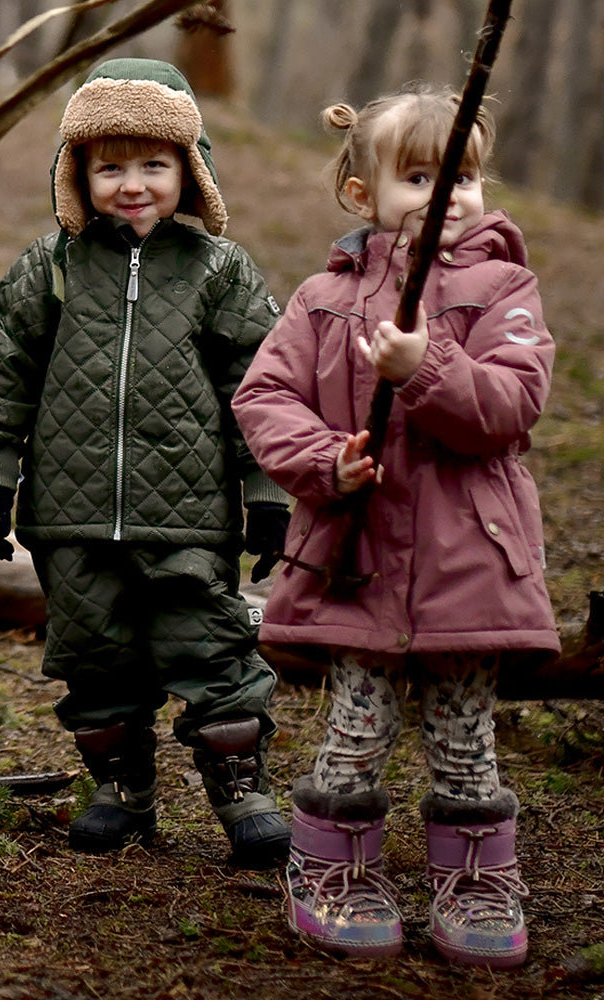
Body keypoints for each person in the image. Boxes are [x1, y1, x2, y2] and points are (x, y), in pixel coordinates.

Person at [231, 85, 559, 966]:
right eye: (420, 176)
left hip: (470, 568)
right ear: (361, 194)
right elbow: (264, 397)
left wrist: (427, 365)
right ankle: (332, 869)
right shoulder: (323, 298)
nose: (448, 194)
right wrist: (324, 463)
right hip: (359, 559)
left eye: (465, 176)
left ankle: (479, 877)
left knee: (463, 736)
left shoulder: (505, 288)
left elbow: (511, 409)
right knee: (356, 731)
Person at [0, 58, 292, 868]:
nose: (133, 184)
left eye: (155, 164)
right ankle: (121, 788)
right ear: (76, 173)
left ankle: (240, 788)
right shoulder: (50, 268)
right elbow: (4, 369)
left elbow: (258, 382)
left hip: (188, 510)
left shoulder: (221, 270)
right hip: (69, 512)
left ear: (192, 169)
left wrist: (266, 487)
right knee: (93, 652)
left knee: (208, 645)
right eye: (109, 166)